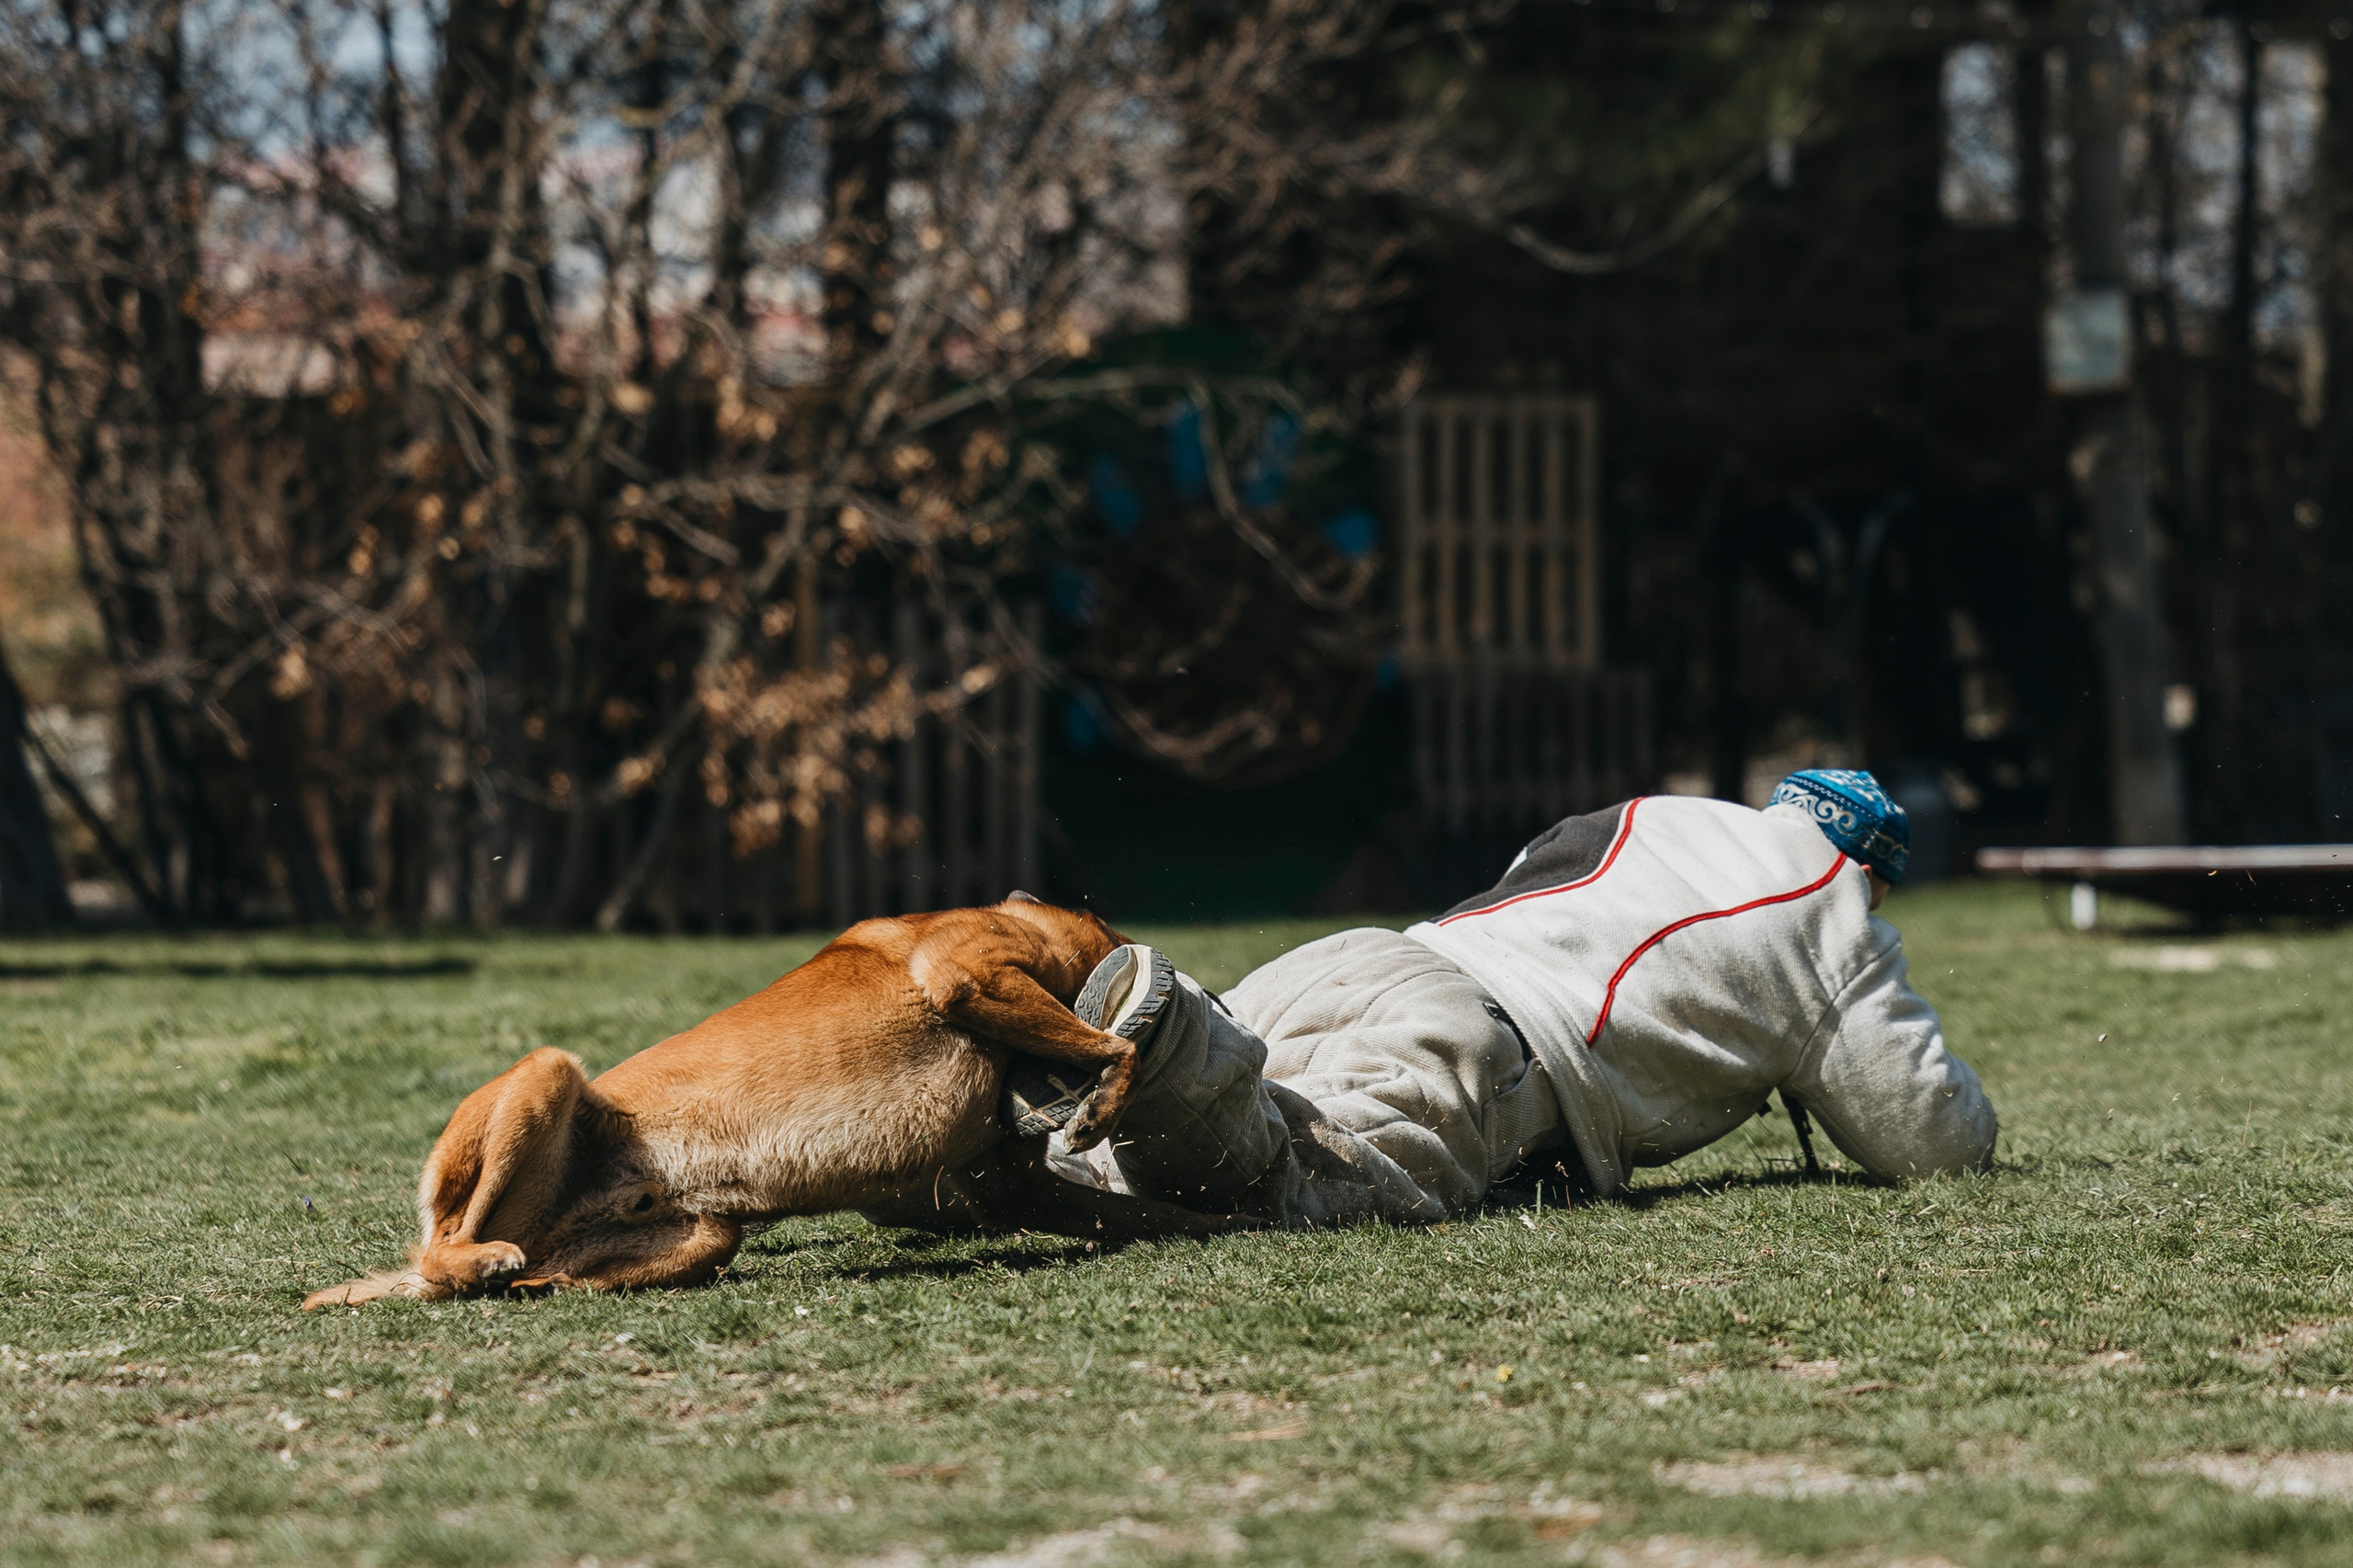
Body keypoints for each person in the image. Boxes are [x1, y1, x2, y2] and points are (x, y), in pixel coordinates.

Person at [1023, 769, 1998, 1225]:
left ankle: (1000, 1108)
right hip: (1474, 1041)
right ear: (1871, 870)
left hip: (1373, 958)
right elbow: (1924, 1135)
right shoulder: (1828, 910)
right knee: (1299, 1178)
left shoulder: (1656, 817)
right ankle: (1170, 1026)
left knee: (1116, 1144)